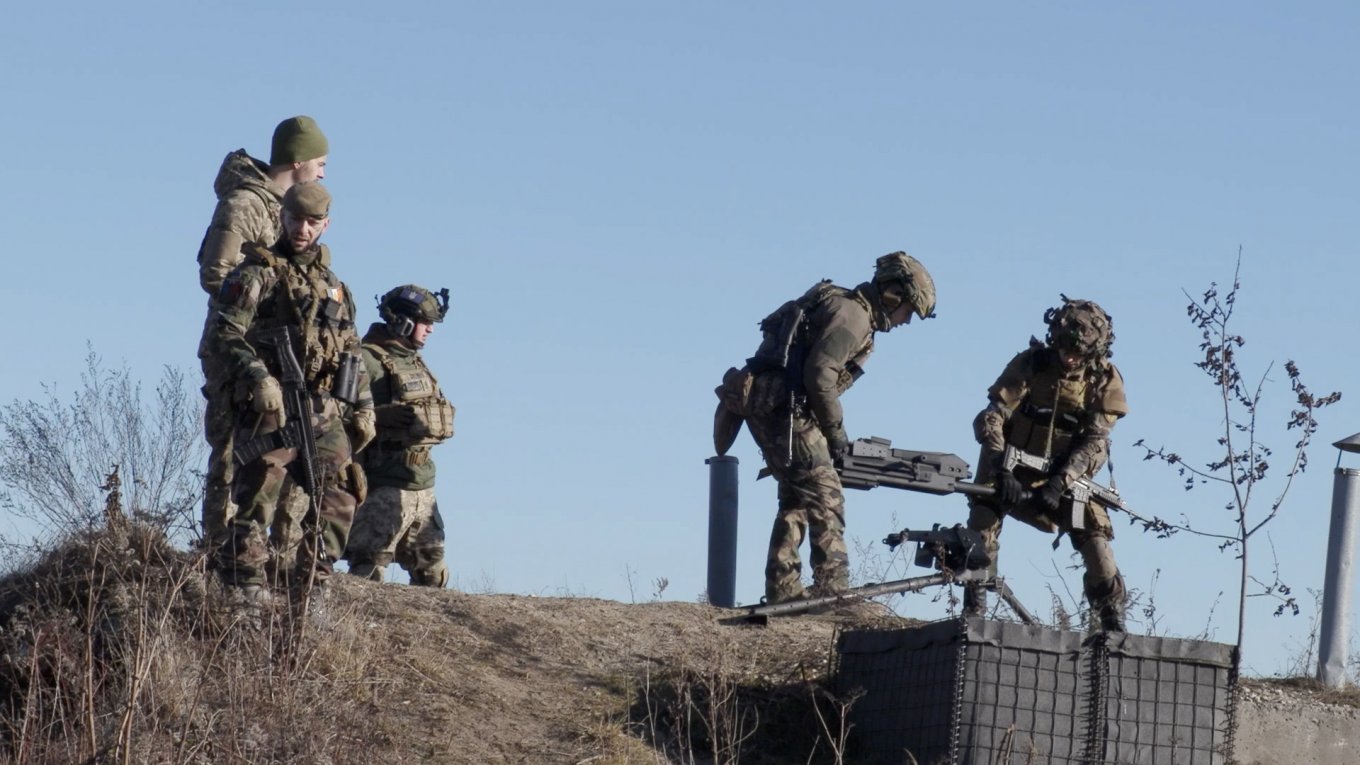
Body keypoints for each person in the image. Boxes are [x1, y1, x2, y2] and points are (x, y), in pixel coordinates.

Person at [712, 252, 936, 604]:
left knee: (797, 497)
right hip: (787, 410)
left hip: (770, 406)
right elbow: (820, 376)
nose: (906, 320)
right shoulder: (854, 316)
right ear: (893, 294)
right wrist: (837, 436)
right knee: (826, 496)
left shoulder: (848, 308)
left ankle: (783, 592)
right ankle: (832, 593)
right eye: (908, 309)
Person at [209, 181, 375, 606]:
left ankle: (312, 587)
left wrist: (364, 408)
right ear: (281, 217)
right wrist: (260, 378)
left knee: (341, 494)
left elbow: (352, 352)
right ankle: (245, 590)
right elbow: (224, 333)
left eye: (313, 222)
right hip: (271, 407)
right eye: (296, 219)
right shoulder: (256, 272)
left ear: (326, 225)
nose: (303, 229)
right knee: (257, 498)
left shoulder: (335, 287)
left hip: (323, 409)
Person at [196, 116, 330, 543]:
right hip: (239, 350)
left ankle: (277, 558)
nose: (324, 172)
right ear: (298, 159)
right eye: (320, 162)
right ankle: (221, 557)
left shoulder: (292, 212)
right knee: (235, 456)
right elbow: (216, 273)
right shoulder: (245, 204)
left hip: (286, 358)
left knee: (288, 454)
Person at [964, 296, 1129, 631]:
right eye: (1064, 348)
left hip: (1065, 477)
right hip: (1011, 466)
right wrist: (1001, 467)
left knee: (1099, 549)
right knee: (981, 528)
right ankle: (974, 613)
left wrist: (1059, 482)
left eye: (1077, 352)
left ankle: (1112, 626)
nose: (1069, 357)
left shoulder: (1103, 379)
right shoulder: (1031, 364)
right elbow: (991, 417)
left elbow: (1097, 440)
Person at [344, 285, 456, 587]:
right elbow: (335, 416)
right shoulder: (365, 359)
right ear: (403, 321)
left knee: (432, 570)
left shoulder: (414, 360)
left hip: (421, 483)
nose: (430, 329)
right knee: (369, 570)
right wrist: (380, 417)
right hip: (382, 483)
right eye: (425, 322)